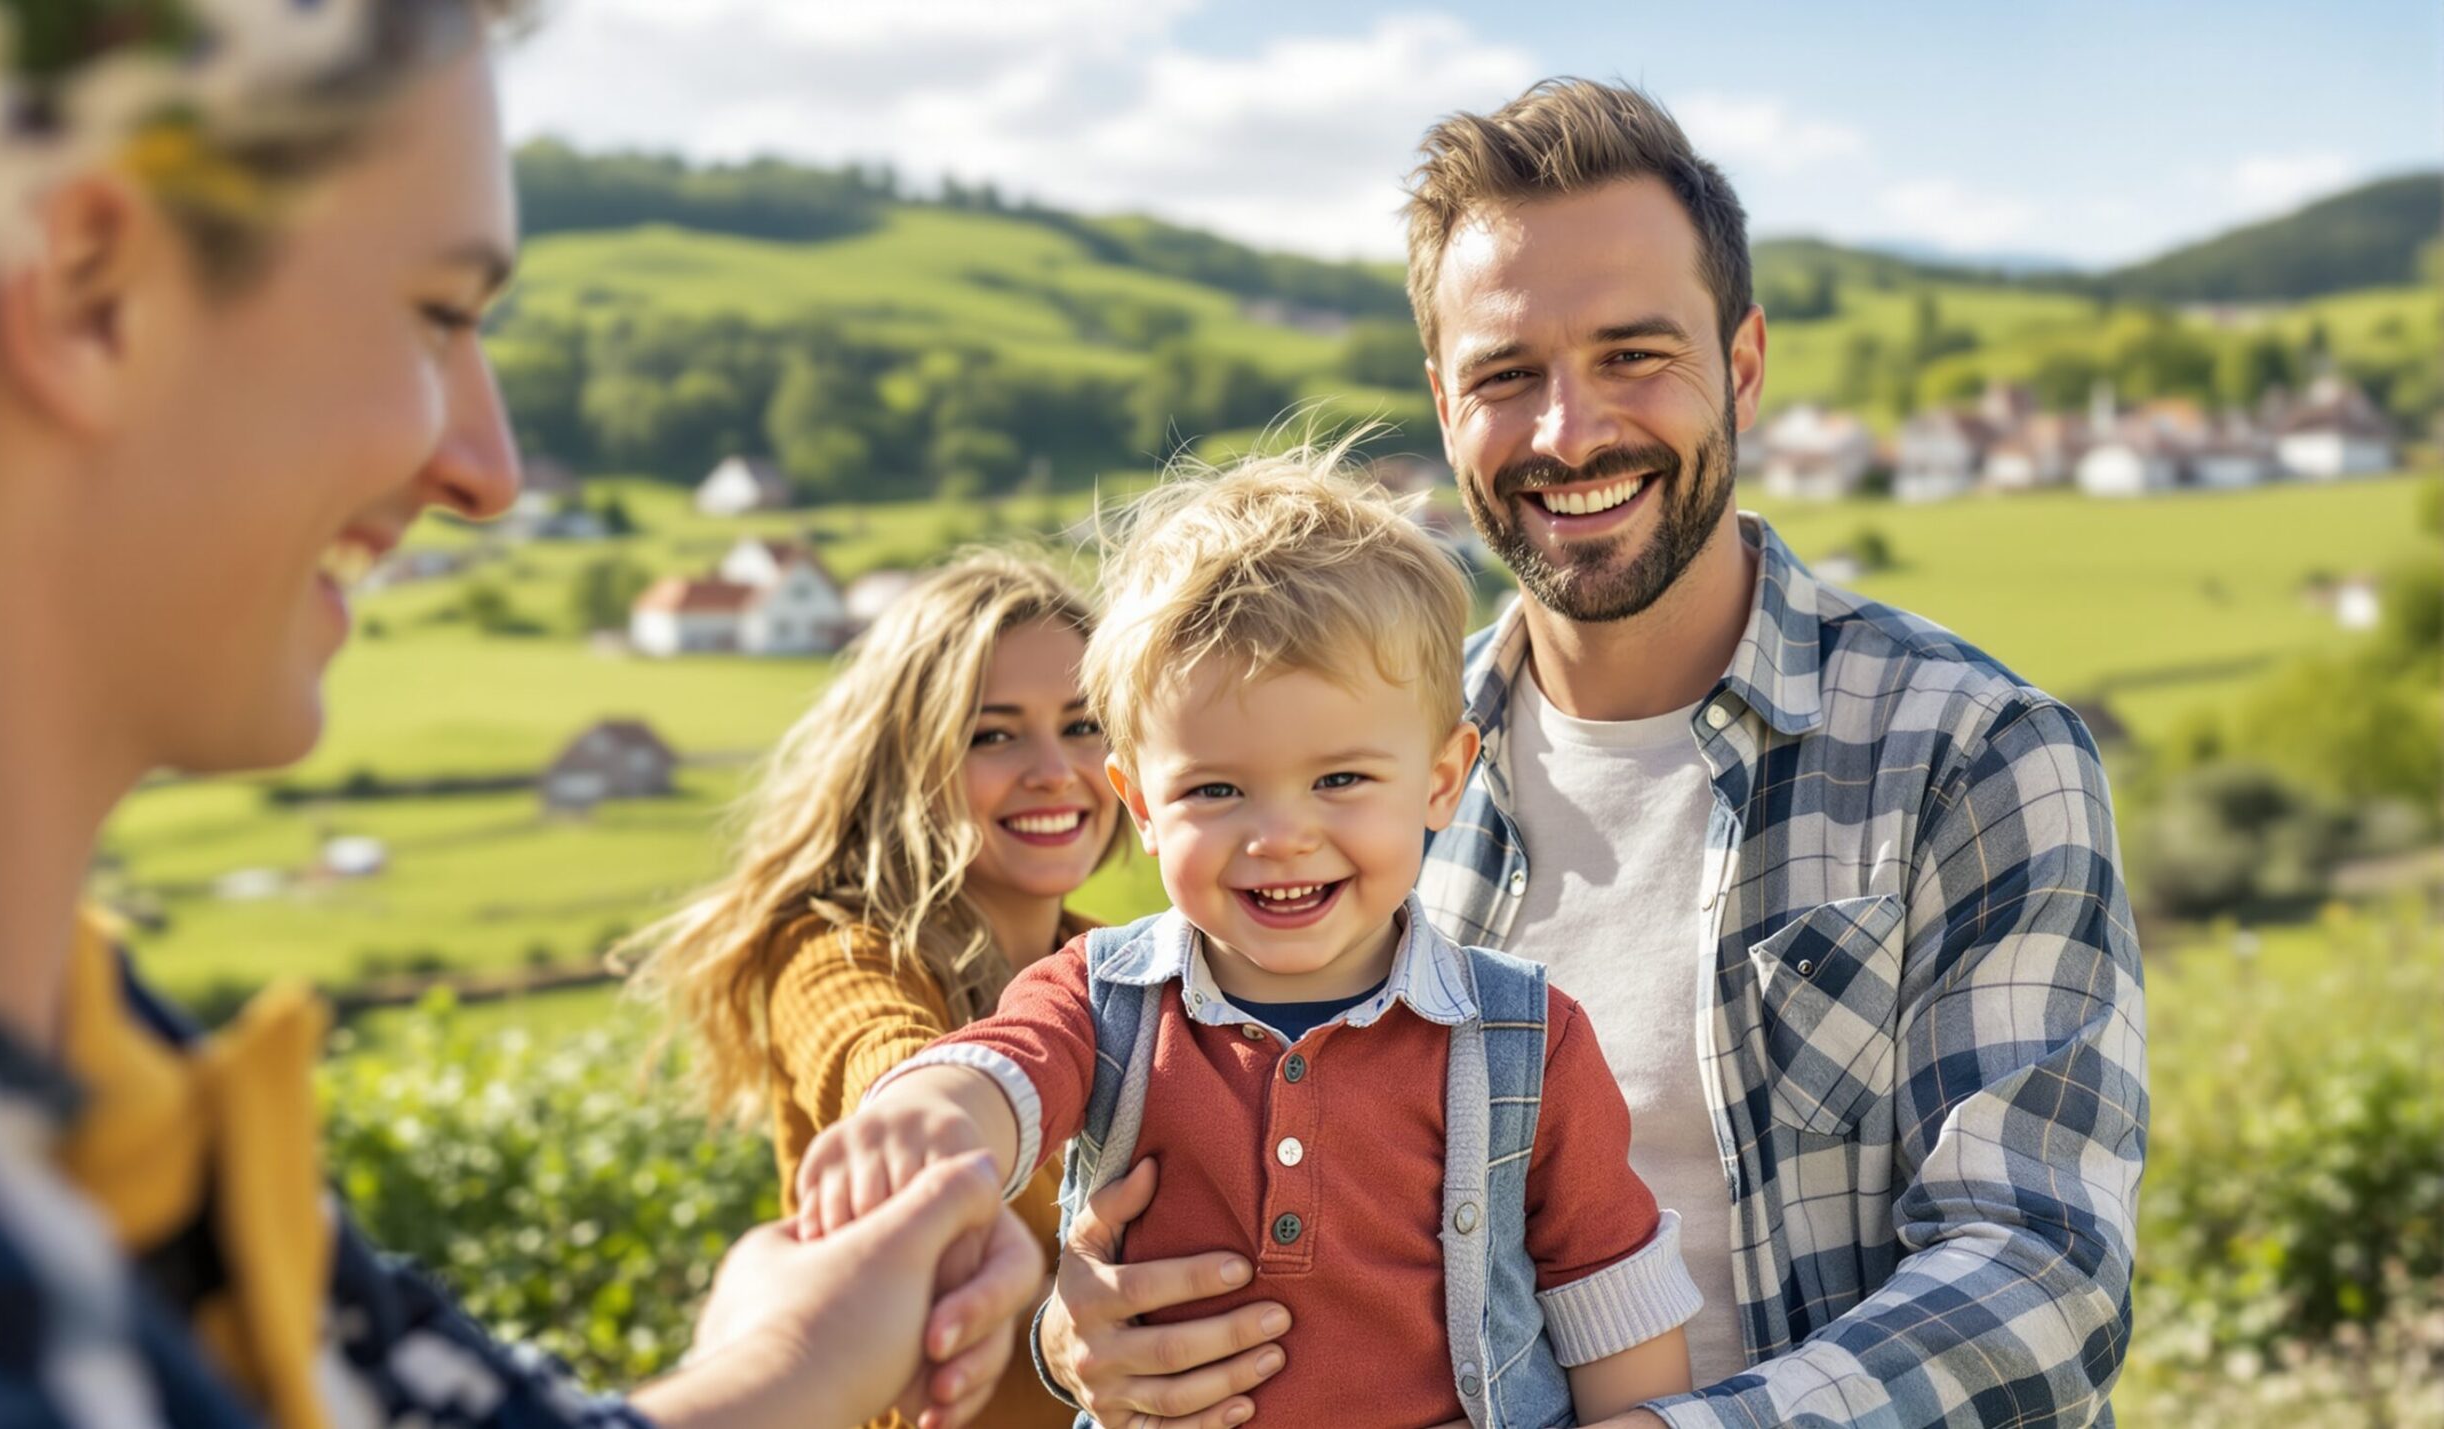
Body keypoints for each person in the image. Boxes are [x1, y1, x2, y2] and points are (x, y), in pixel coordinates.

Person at [0, 2, 1036, 1425]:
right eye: (436, 313)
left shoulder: (100, 1083)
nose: (487, 468)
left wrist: (789, 1364)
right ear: (84, 291)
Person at [1035, 80, 2148, 1429]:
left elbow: (2040, 1276)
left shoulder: (1972, 755)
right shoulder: (1354, 775)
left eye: (1634, 354)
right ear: (1445, 404)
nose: (1570, 432)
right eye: (1509, 375)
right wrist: (1085, 1330)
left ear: (1741, 366)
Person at [799, 450, 1710, 1427]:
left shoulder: (1526, 1039)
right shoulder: (1101, 998)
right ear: (1141, 805)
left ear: (1442, 779)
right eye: (1216, 790)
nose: (1280, 836)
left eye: (1340, 780)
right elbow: (1004, 1071)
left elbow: (1611, 1305)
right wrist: (936, 1113)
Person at [628, 551, 1126, 1429]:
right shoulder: (837, 949)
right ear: (906, 756)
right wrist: (941, 1120)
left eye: (1083, 725)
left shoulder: (1116, 966)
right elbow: (882, 1061)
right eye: (993, 734)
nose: (1055, 769)